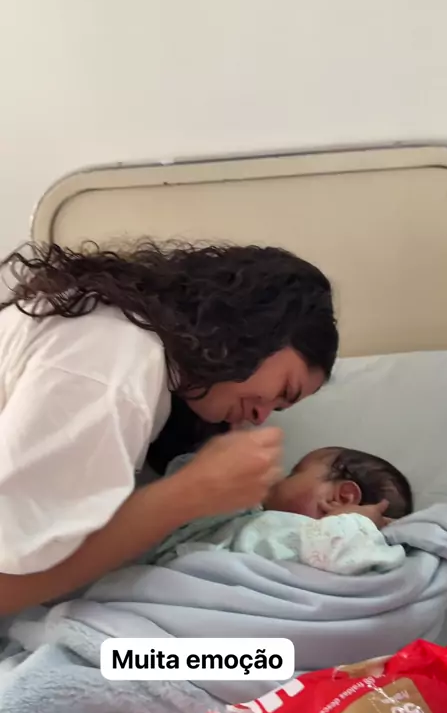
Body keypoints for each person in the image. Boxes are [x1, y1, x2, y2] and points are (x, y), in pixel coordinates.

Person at [0, 240, 338, 615]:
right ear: (260, 328)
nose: (261, 417)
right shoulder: (112, 361)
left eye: (278, 409)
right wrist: (185, 495)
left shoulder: (129, 348)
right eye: (282, 392)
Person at [154, 446, 413, 575]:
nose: (281, 479)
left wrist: (357, 521)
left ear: (339, 498)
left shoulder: (331, 538)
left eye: (294, 473)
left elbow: (349, 550)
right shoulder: (256, 516)